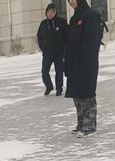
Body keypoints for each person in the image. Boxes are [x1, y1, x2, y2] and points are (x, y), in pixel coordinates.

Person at [65, 0, 103, 137]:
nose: (71, 2)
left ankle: (89, 125)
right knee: (77, 94)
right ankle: (81, 123)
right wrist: (68, 62)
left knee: (87, 94)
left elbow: (91, 42)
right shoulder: (75, 18)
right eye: (69, 0)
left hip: (86, 63)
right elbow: (70, 43)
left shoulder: (90, 15)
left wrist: (86, 61)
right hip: (75, 63)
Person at [37, 3, 68, 96]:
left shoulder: (61, 22)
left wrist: (65, 48)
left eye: (52, 12)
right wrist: (43, 48)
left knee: (59, 72)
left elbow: (67, 35)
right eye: (48, 12)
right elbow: (39, 37)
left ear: (55, 12)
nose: (50, 14)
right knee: (44, 72)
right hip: (47, 54)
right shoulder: (43, 24)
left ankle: (59, 89)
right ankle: (49, 86)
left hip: (59, 52)